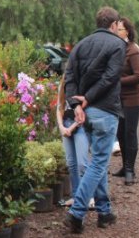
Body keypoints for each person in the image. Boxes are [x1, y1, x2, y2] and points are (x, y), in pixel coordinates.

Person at [63, 6, 126, 233]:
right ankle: (77, 213)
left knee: (97, 163)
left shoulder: (79, 45)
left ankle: (105, 212)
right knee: (99, 162)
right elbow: (111, 77)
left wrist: (77, 105)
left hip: (84, 113)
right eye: (118, 26)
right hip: (105, 110)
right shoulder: (118, 44)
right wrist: (87, 99)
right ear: (113, 25)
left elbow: (69, 77)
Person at [112, 18, 139, 185]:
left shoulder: (132, 50)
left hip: (132, 97)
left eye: (120, 29)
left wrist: (117, 81)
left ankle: (130, 170)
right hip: (118, 97)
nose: (117, 32)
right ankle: (124, 166)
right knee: (120, 132)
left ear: (127, 32)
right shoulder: (116, 48)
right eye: (116, 29)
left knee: (129, 132)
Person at [55, 74, 90, 208]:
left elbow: (84, 111)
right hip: (66, 123)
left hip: (80, 126)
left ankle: (88, 196)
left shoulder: (83, 84)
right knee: (71, 163)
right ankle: (76, 196)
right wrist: (62, 127)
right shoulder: (64, 83)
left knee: (82, 163)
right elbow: (59, 107)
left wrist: (70, 128)